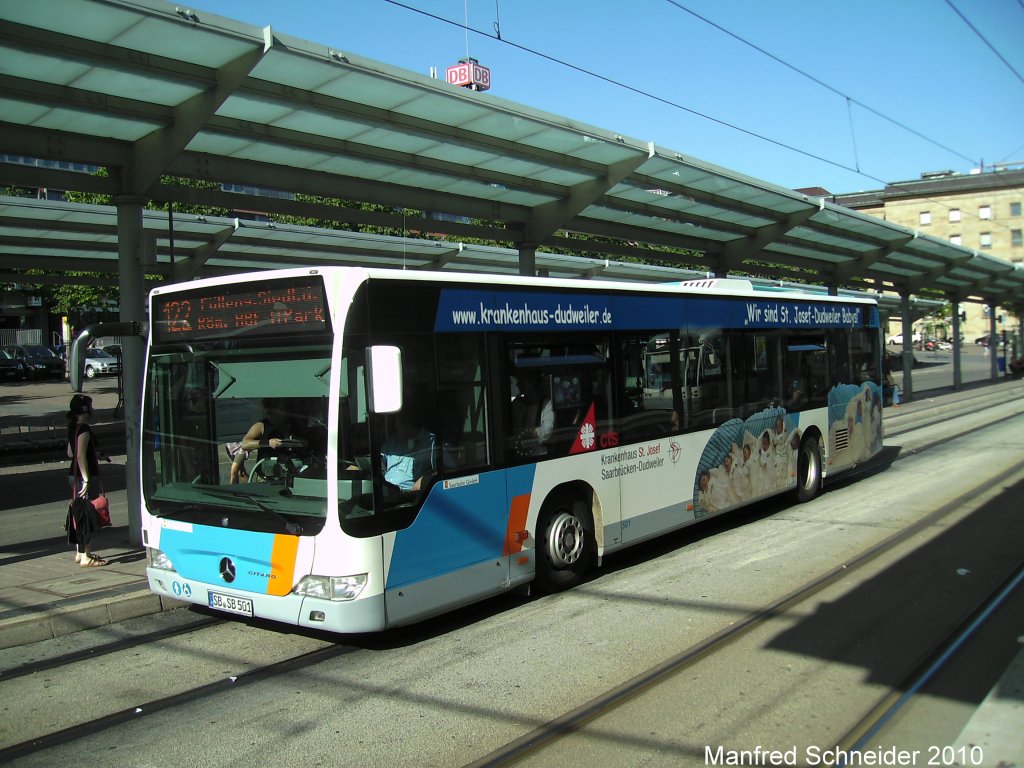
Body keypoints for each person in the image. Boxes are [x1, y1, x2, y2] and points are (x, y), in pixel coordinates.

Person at [66, 394, 106, 567]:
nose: (92, 409)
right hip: (84, 476)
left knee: (79, 514)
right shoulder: (84, 429)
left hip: (72, 475)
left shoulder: (73, 427)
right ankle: (86, 555)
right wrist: (87, 478)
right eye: (90, 406)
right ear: (85, 410)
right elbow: (80, 455)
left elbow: (70, 452)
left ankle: (80, 552)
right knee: (88, 515)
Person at [381, 410, 435, 492]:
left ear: (406, 425)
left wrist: (426, 479)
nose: (395, 426)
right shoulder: (392, 441)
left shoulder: (431, 443)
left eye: (396, 422)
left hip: (411, 496)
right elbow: (378, 460)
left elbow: (448, 470)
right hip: (386, 493)